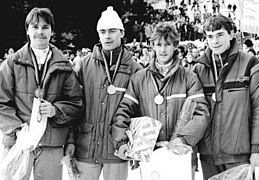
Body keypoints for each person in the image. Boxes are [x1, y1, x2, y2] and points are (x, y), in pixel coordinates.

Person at [111, 22, 210, 180]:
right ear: (152, 46)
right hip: (150, 156)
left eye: (168, 44)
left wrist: (183, 139)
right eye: (158, 44)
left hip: (181, 155)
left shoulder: (189, 77)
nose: (163, 50)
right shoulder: (139, 79)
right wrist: (121, 140)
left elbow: (202, 114)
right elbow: (124, 111)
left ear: (175, 45)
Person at [0, 7, 84, 180]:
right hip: (19, 142)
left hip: (51, 144)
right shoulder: (12, 63)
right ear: (27, 31)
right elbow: (1, 102)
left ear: (52, 31)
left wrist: (56, 110)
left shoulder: (65, 66)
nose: (40, 31)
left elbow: (76, 103)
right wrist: (16, 130)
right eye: (35, 26)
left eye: (45, 27)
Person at [65, 6, 142, 180]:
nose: (107, 36)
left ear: (121, 33)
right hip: (85, 146)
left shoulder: (135, 69)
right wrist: (70, 140)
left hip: (117, 149)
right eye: (103, 31)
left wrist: (137, 147)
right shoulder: (83, 65)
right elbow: (72, 105)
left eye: (112, 31)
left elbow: (139, 111)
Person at [193, 13, 259, 180]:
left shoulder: (250, 64)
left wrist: (257, 149)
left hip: (239, 156)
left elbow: (258, 109)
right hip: (209, 156)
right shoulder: (199, 69)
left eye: (220, 35)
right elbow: (192, 113)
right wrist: (192, 153)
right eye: (210, 36)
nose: (215, 41)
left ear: (231, 34)